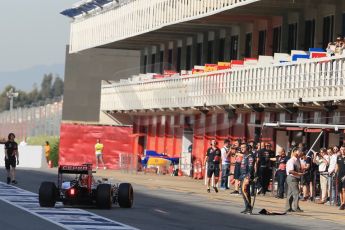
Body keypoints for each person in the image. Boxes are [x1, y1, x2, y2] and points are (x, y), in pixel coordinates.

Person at [239, 143, 255, 214]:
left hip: (246, 176)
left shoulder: (250, 156)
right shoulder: (245, 156)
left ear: (247, 148)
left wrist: (248, 177)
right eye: (241, 147)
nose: (241, 148)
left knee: (245, 191)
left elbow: (251, 168)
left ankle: (249, 208)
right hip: (242, 175)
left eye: (243, 147)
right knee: (243, 192)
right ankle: (247, 207)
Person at [336, 145, 345, 210]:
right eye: (341, 149)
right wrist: (335, 173)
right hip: (339, 175)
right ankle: (342, 203)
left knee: (344, 189)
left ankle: (343, 203)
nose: (343, 151)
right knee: (340, 190)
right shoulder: (338, 157)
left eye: (344, 149)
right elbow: (337, 166)